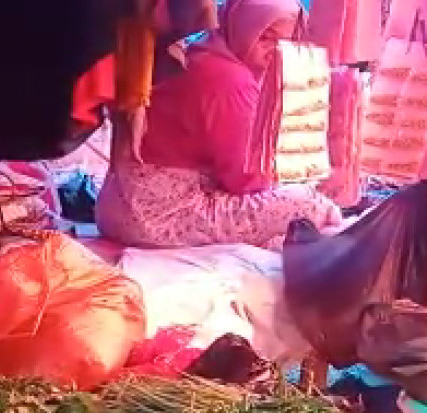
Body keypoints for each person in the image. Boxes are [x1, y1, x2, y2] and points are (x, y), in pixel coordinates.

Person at [96, 0, 343, 250]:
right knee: (308, 205)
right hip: (153, 215)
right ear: (240, 26)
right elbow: (246, 181)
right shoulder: (229, 80)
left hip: (120, 202)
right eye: (265, 38)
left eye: (286, 42)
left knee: (286, 202)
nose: (275, 51)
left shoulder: (198, 49)